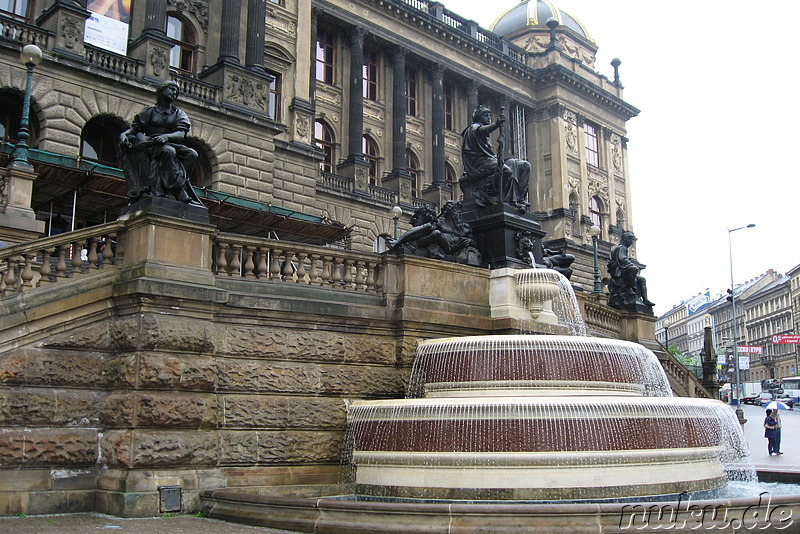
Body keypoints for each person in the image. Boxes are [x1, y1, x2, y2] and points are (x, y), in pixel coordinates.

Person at [119, 80, 203, 206]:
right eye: (171, 89)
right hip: (152, 145)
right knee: (168, 151)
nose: (174, 93)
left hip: (171, 142)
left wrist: (166, 137)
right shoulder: (149, 112)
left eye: (176, 91)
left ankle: (178, 184)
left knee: (192, 154)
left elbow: (181, 133)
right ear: (161, 91)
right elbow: (133, 131)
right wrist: (122, 136)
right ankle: (178, 190)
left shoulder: (178, 113)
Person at [460, 105, 530, 212]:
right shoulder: (473, 128)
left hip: (490, 159)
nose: (489, 118)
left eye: (489, 115)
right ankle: (482, 191)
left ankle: (520, 201)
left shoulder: (485, 136)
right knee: (506, 170)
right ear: (478, 117)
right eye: (485, 115)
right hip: (479, 163)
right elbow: (481, 131)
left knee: (524, 166)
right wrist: (496, 124)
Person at [606, 231, 655, 309]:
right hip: (619, 271)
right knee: (633, 269)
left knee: (642, 279)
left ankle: (645, 299)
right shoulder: (622, 247)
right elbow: (622, 259)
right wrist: (632, 265)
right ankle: (629, 288)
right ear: (626, 239)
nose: (632, 242)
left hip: (622, 269)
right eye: (631, 239)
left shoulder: (623, 248)